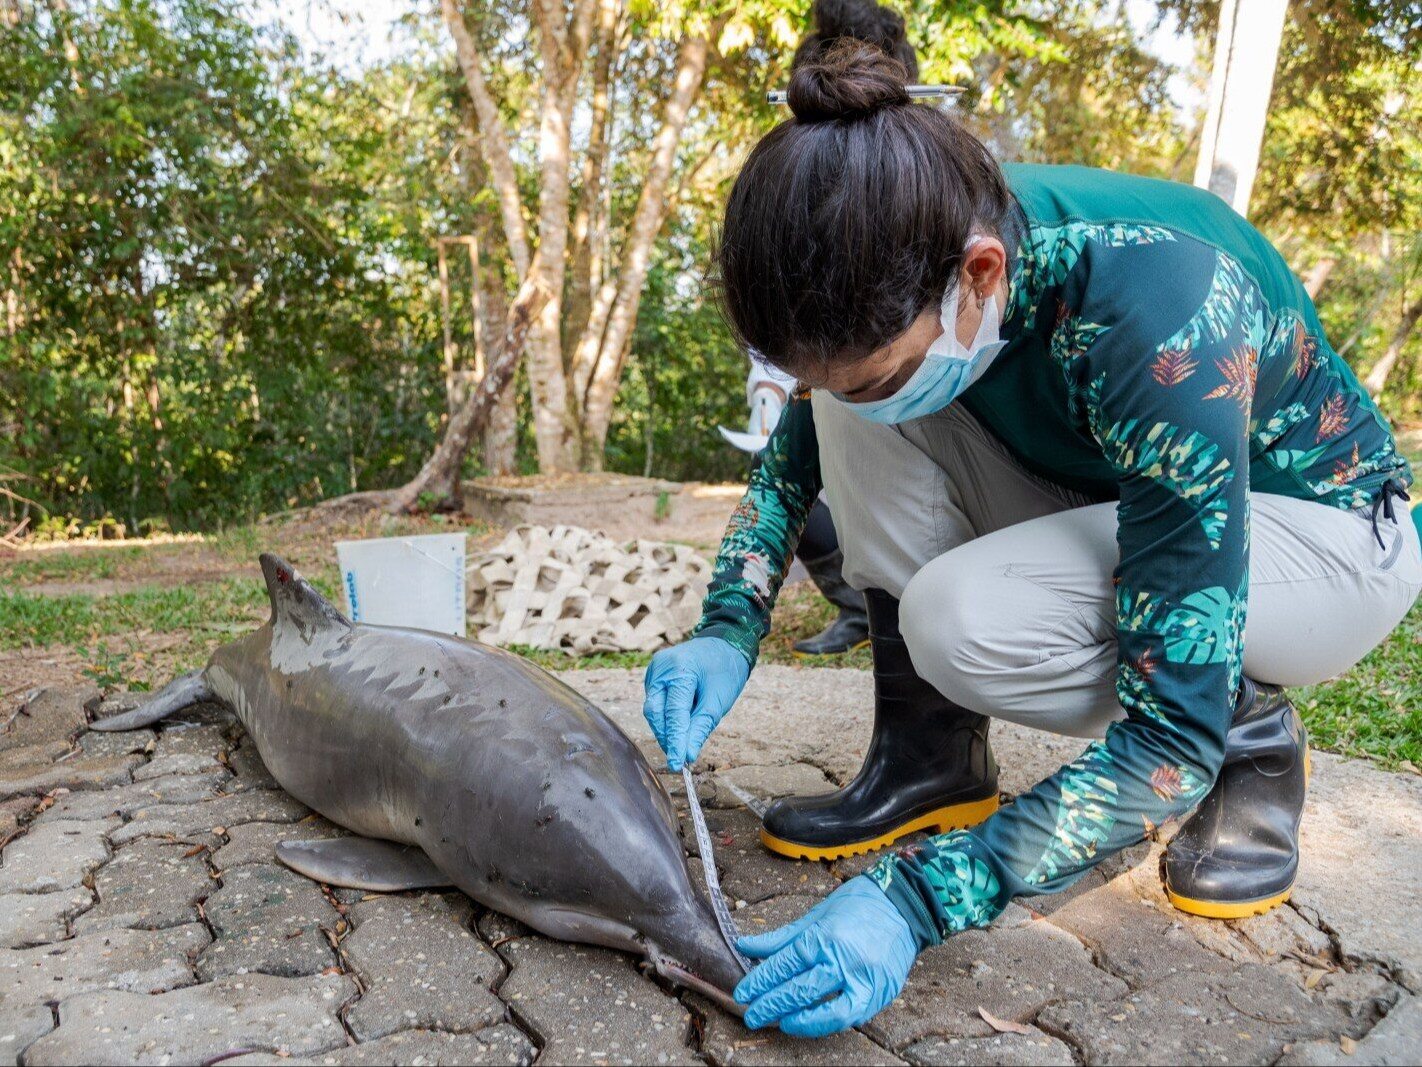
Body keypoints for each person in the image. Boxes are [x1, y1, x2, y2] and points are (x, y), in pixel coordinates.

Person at [641, 42, 1420, 1037]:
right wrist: (727, 622)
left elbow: (1159, 739)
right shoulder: (913, 252)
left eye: (879, 371)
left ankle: (1251, 733)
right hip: (1119, 492)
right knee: (851, 408)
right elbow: (815, 420)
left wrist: (917, 899)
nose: (852, 396)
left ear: (982, 273)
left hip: (1323, 539)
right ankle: (931, 758)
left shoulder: (1163, 317)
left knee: (965, 622)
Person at [722, 356, 869, 655]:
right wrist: (768, 393)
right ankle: (860, 612)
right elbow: (780, 357)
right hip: (819, 403)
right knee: (781, 478)